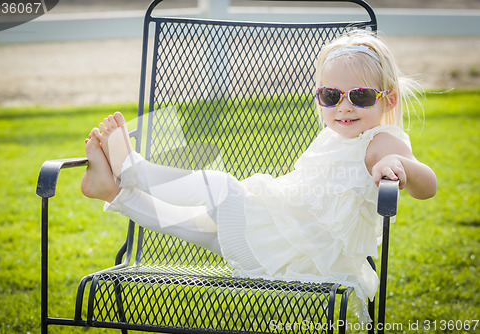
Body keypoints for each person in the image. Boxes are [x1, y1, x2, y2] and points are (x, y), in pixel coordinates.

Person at [80, 30, 437, 323]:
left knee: (220, 187)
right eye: (331, 96)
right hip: (277, 246)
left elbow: (428, 185)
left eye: (360, 96)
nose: (344, 107)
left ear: (387, 101)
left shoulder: (381, 141)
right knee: (189, 223)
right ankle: (114, 192)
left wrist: (399, 167)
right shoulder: (336, 136)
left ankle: (134, 171)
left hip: (294, 256)